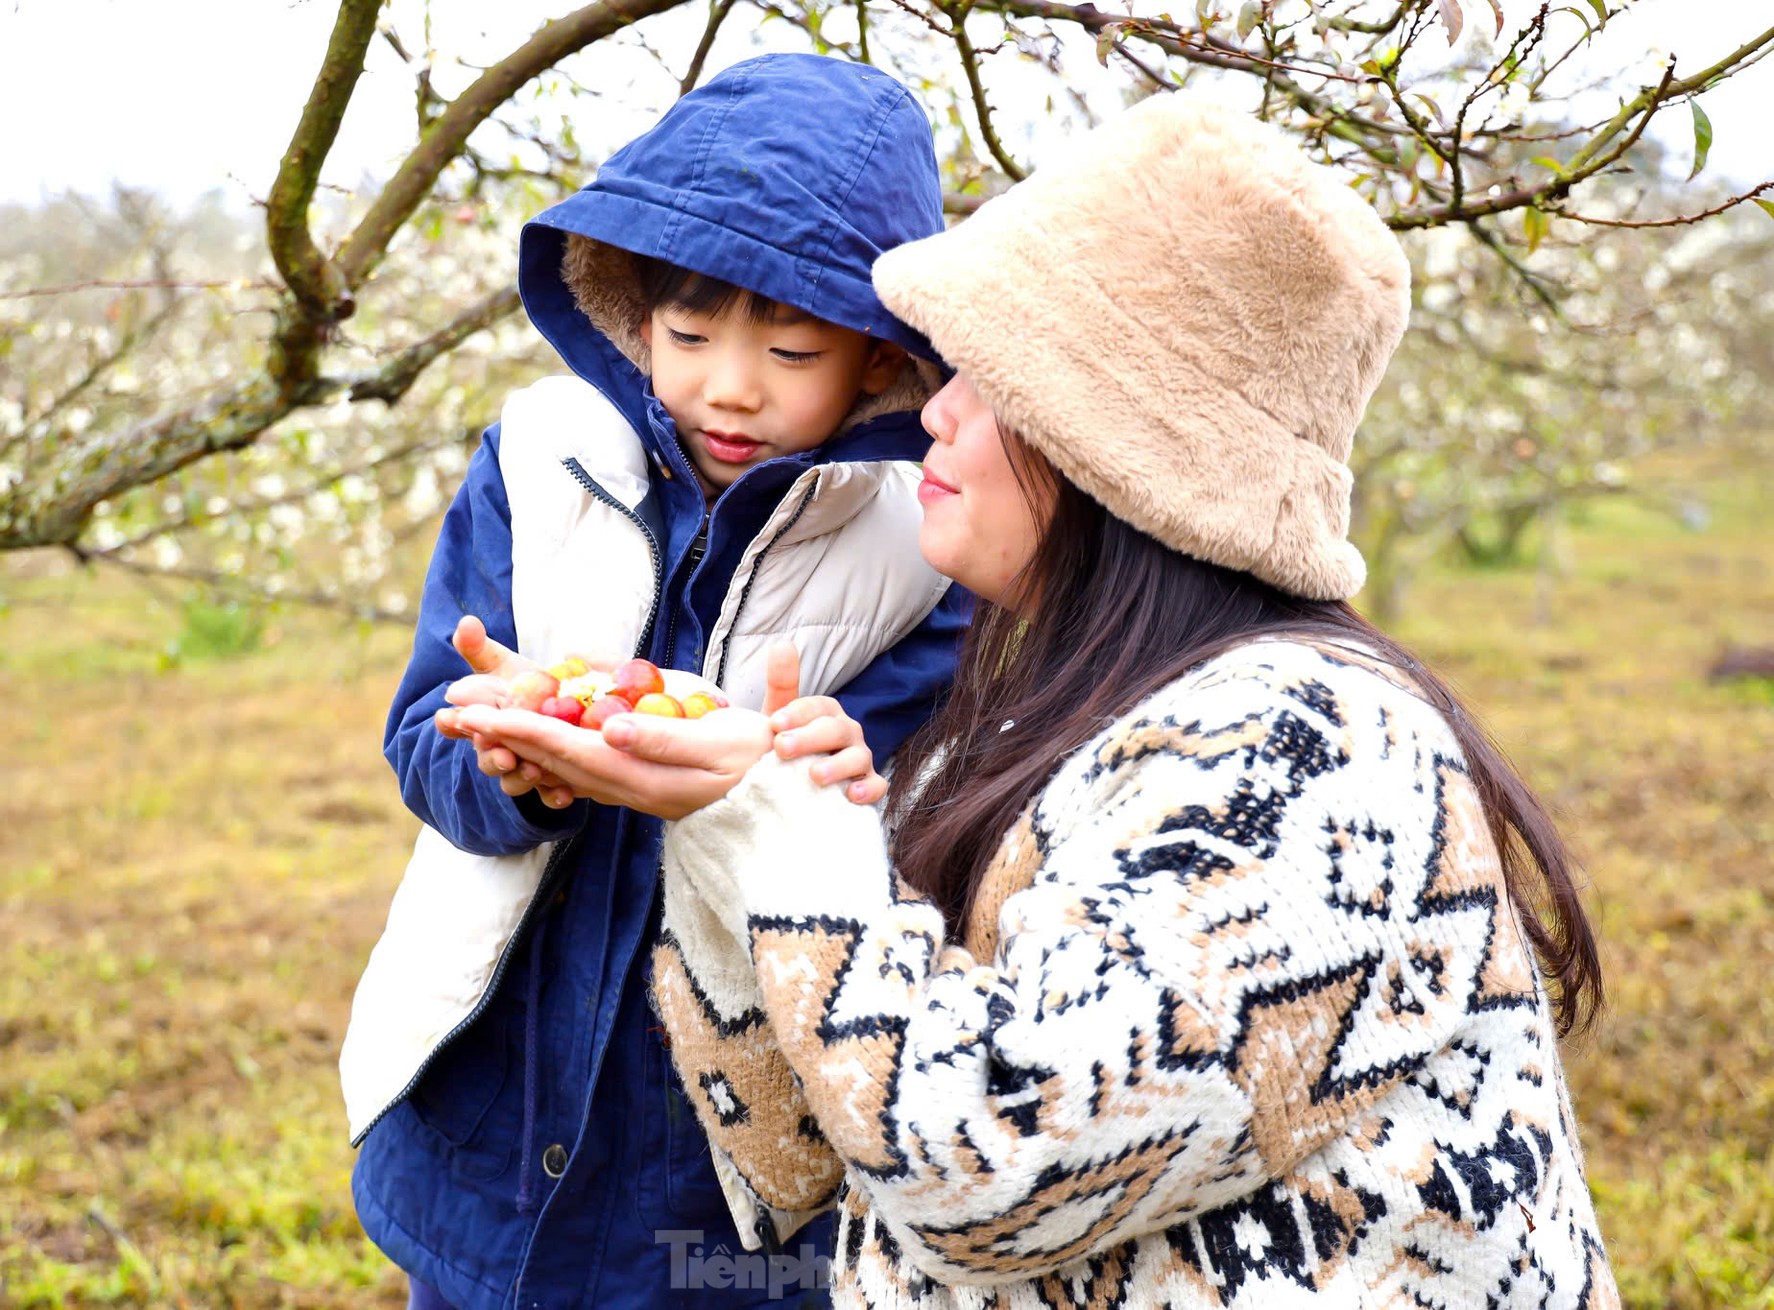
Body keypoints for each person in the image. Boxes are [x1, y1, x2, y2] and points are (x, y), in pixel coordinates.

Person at [453, 94, 1618, 1308]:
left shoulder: (1305, 755)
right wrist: (730, 811)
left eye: (985, 375)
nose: (931, 408)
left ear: (1116, 441)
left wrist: (785, 838)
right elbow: (792, 1154)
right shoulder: (1034, 723)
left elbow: (988, 1175)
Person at [340, 54, 970, 1309]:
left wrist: (833, 774)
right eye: (687, 334)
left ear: (879, 360)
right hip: (498, 1083)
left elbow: (929, 812)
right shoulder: (539, 459)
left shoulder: (923, 533)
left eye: (791, 348)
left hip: (728, 1124)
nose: (728, 385)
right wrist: (505, 761)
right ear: (633, 315)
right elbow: (423, 736)